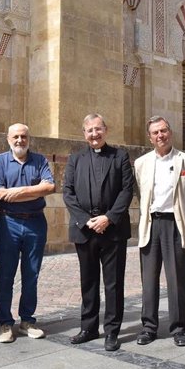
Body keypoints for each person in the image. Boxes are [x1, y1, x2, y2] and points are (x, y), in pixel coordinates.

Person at [62, 113, 134, 351]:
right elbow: (68, 193)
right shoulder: (75, 159)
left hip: (112, 230)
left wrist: (108, 218)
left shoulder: (120, 157)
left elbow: (126, 191)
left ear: (106, 129)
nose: (94, 134)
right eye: (90, 130)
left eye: (98, 129)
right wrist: (86, 221)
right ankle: (88, 328)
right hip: (85, 230)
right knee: (88, 281)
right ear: (84, 134)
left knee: (113, 284)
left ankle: (112, 331)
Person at [134, 116, 185, 347]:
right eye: (155, 132)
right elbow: (142, 194)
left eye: (163, 131)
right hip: (151, 224)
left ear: (170, 132)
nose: (160, 135)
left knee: (177, 279)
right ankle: (148, 327)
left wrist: (181, 216)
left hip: (175, 224)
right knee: (149, 279)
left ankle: (179, 327)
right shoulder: (141, 163)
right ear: (149, 137)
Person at [0, 123, 55, 343]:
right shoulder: (0, 161)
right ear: (8, 138)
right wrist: (33, 192)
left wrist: (18, 191)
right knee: (6, 274)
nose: (20, 140)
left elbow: (49, 187)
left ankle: (27, 320)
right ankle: (5, 324)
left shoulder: (40, 160)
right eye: (16, 137)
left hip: (35, 223)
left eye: (24, 136)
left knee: (32, 274)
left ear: (29, 138)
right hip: (8, 222)